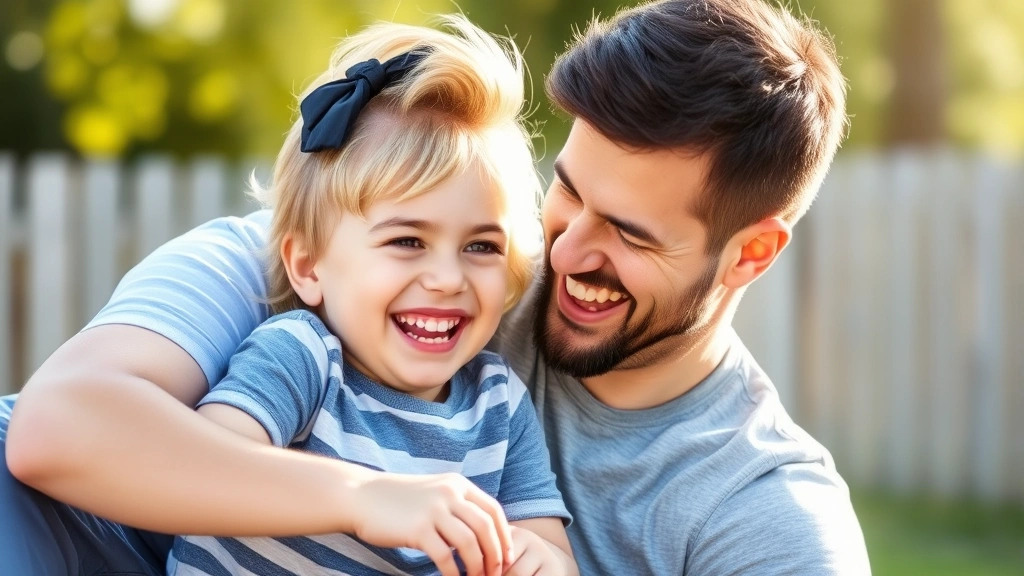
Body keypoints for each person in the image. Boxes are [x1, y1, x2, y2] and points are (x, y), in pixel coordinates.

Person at [2, 0, 871, 575]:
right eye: (567, 192)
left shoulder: (766, 520)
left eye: (631, 234)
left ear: (751, 254)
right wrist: (362, 498)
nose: (565, 253)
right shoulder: (371, 278)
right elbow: (55, 429)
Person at [162, 17, 574, 576]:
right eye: (407, 240)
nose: (448, 278)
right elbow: (198, 470)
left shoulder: (498, 406)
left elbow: (552, 552)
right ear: (308, 266)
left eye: (480, 246)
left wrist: (536, 558)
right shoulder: (304, 358)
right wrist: (362, 497)